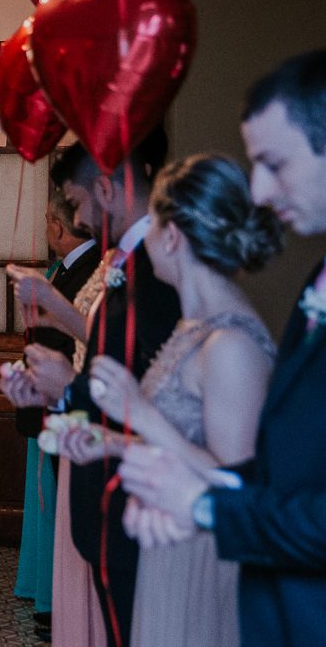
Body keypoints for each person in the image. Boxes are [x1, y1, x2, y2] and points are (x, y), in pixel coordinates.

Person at [119, 50, 326, 646]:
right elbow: (280, 467)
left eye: (274, 162)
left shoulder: (229, 342)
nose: (258, 189)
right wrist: (176, 492)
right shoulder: (314, 284)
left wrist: (206, 507)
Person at [63, 154, 281, 647]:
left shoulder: (231, 346)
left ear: (173, 237)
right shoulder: (192, 328)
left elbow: (238, 485)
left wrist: (138, 412)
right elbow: (183, 445)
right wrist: (111, 442)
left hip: (205, 558)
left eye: (154, 223)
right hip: (165, 548)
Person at [1, 132, 180, 647]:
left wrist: (69, 387)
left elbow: (149, 381)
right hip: (102, 475)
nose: (77, 220)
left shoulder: (157, 264)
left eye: (77, 203)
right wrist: (56, 388)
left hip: (131, 488)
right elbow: (109, 347)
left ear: (104, 189)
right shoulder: (122, 260)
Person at [13, 188, 98, 641]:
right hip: (47, 398)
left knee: (57, 506)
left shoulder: (91, 273)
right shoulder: (66, 269)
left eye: (48, 220)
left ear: (58, 227)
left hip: (67, 403)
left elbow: (78, 338)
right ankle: (46, 592)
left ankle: (57, 603)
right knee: (48, 502)